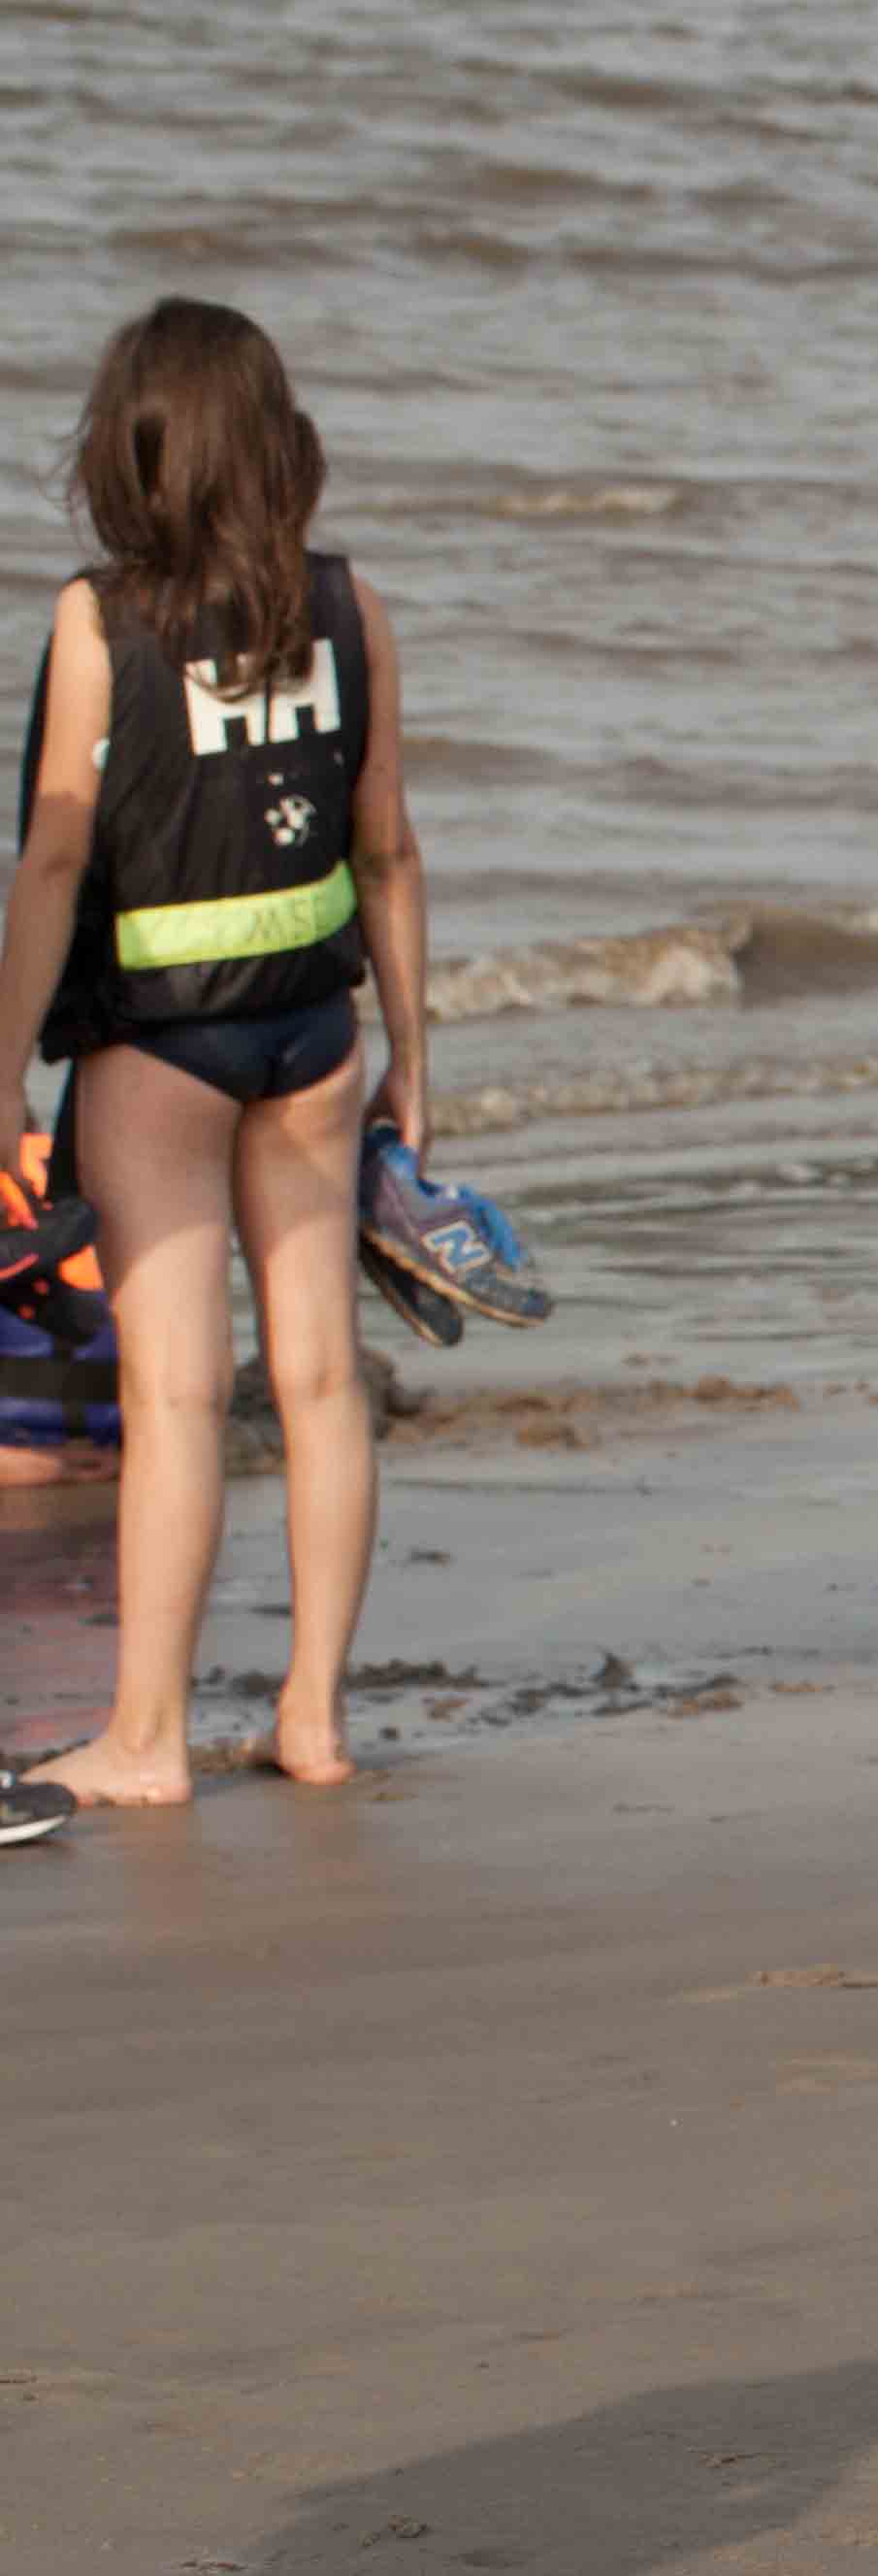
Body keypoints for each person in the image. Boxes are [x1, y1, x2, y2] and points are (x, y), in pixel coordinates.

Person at [0, 299, 428, 1808]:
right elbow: (386, 850)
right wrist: (413, 1060)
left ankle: (145, 1740)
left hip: (161, 1054)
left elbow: (56, 859)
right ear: (277, 444)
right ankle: (313, 1719)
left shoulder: (97, 620)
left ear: (131, 455)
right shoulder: (347, 607)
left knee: (180, 1395)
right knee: (320, 1382)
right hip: (315, 1038)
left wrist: (2, 1068)